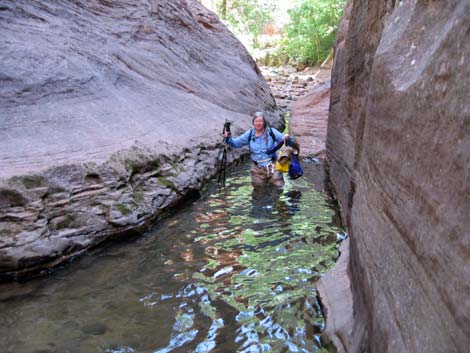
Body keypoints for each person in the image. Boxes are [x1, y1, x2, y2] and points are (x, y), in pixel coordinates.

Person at [223, 111, 294, 187]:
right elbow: (235, 143)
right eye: (256, 121)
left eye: (260, 121)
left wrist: (288, 138)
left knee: (277, 189)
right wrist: (227, 138)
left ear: (264, 122)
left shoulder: (271, 132)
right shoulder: (249, 134)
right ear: (253, 123)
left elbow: (287, 141)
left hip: (273, 167)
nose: (258, 123)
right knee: (258, 192)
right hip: (257, 170)